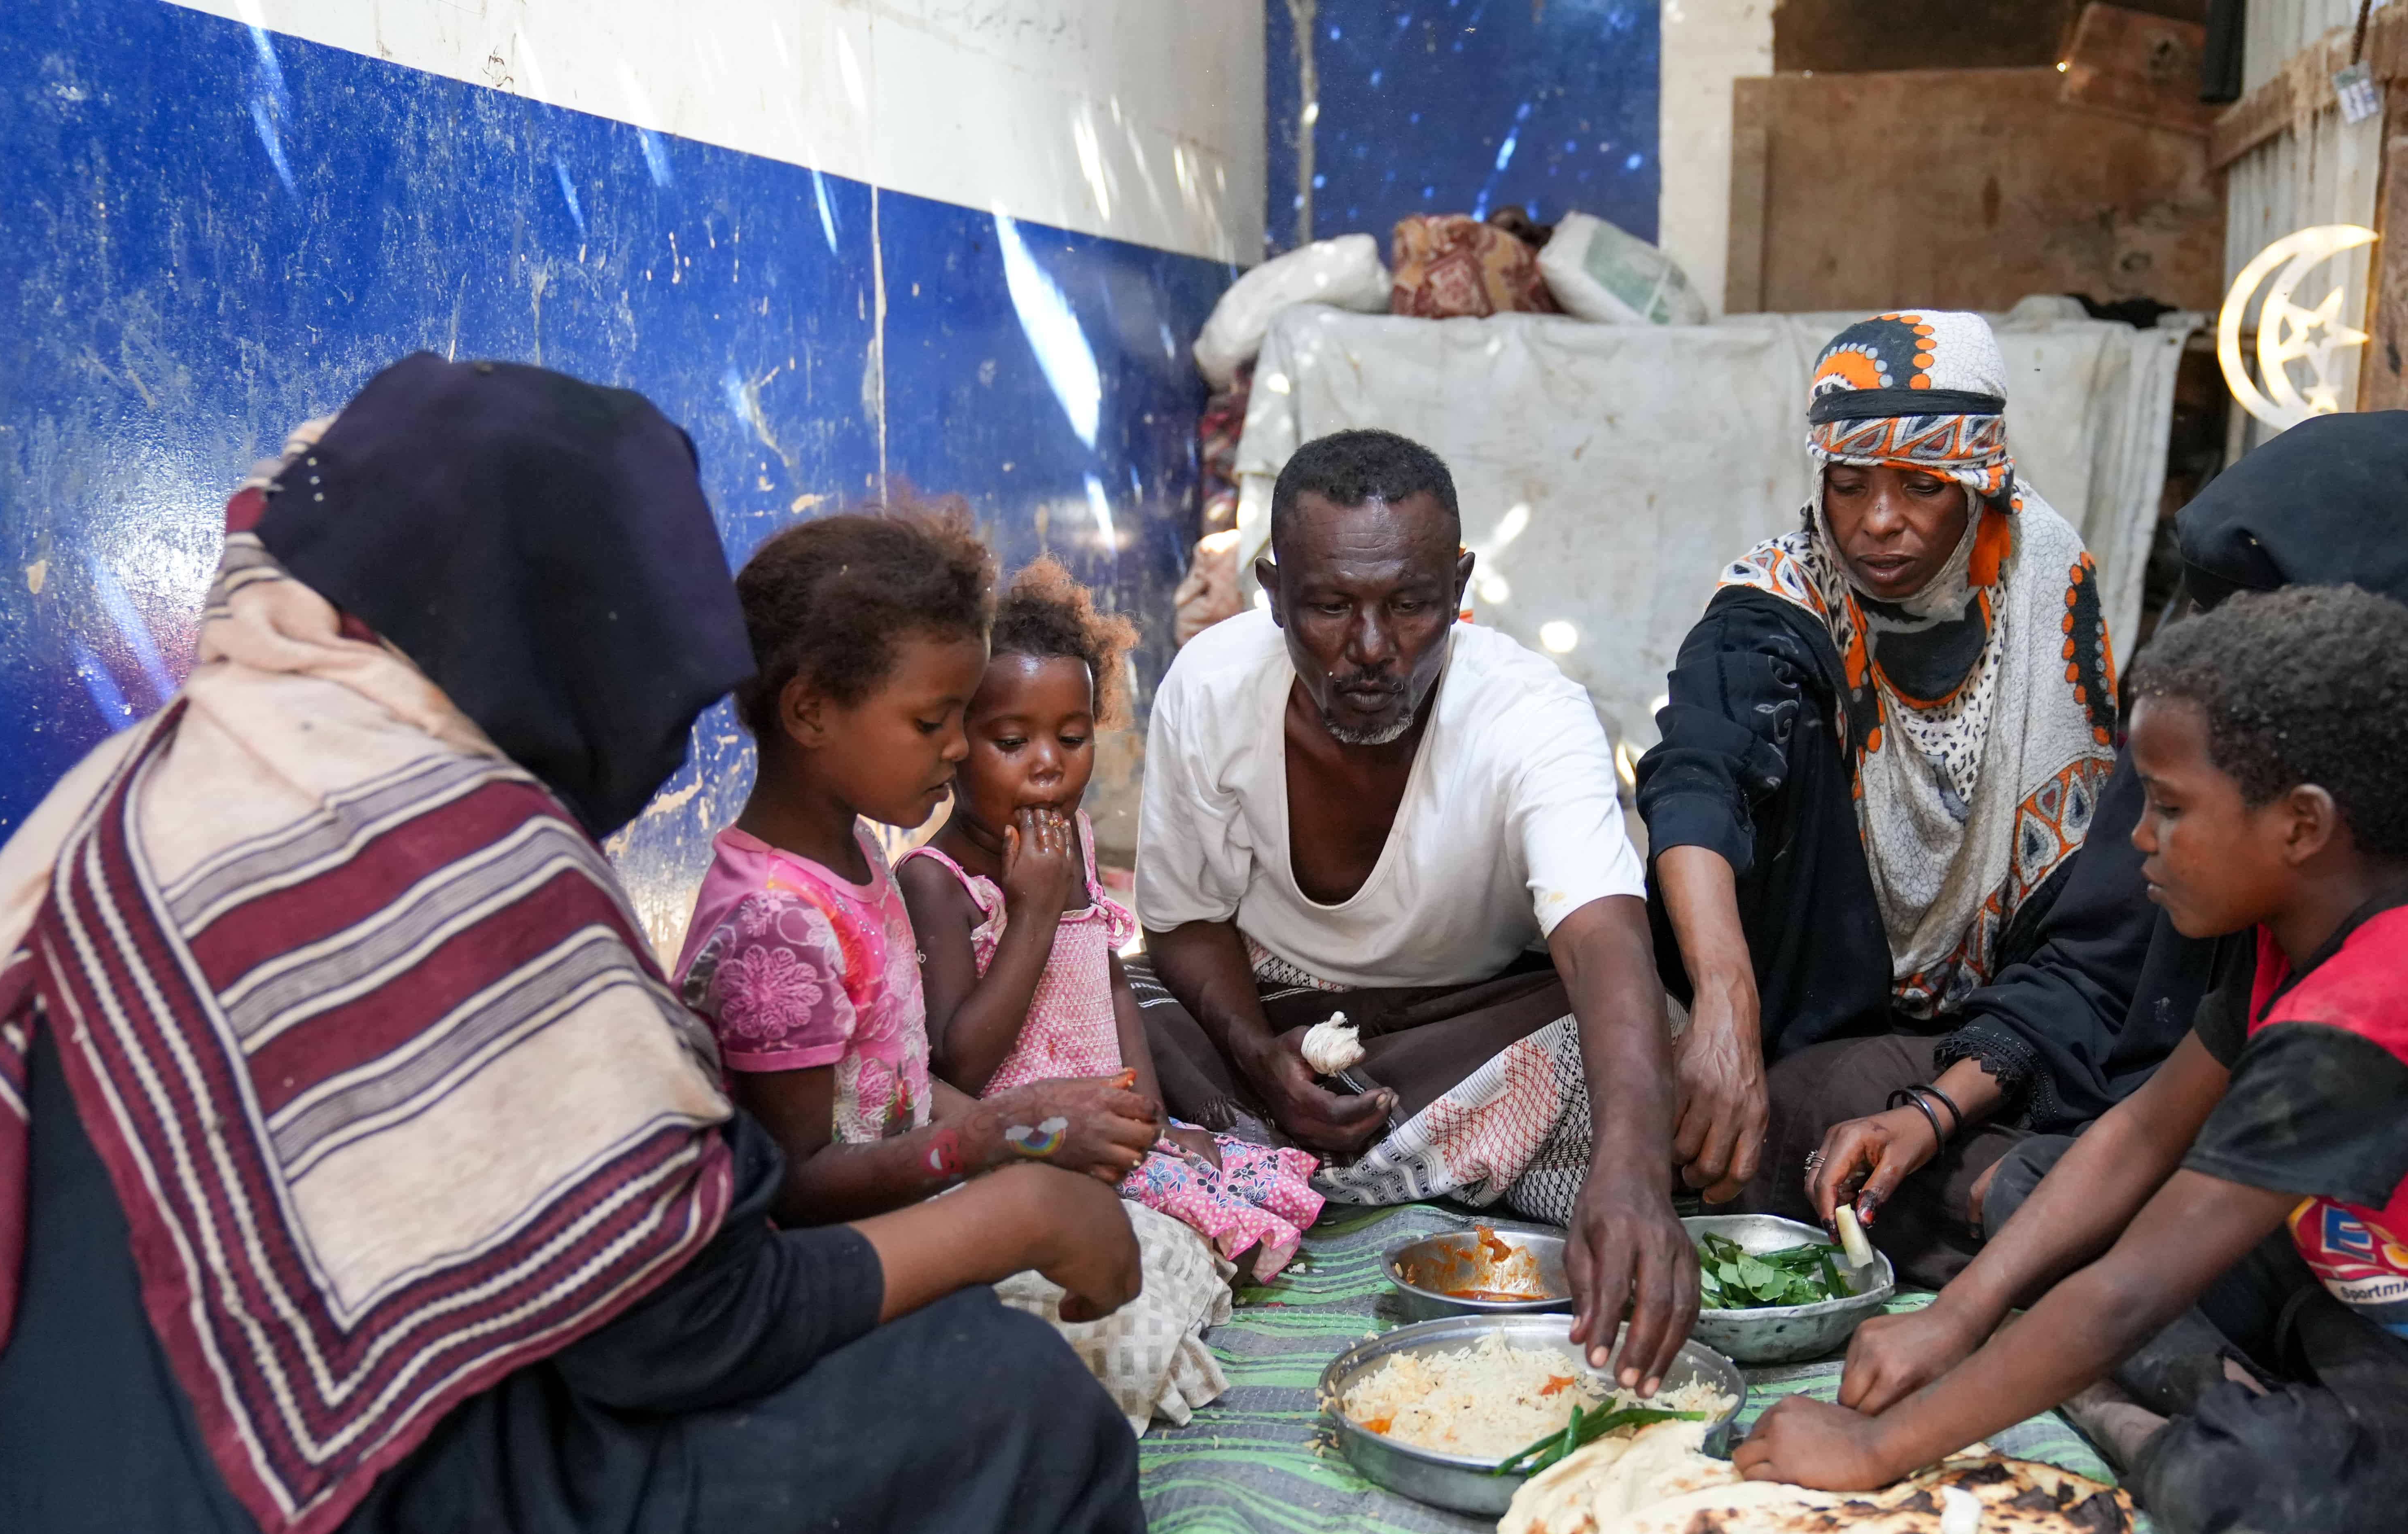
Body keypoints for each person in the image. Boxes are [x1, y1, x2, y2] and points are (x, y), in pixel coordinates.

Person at [0, 357, 1154, 1534]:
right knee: (1003, 1392)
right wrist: (1017, 1211)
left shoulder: (123, 805)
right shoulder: (456, 855)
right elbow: (690, 1333)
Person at [1736, 585, 2408, 1534]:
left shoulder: (2382, 1009)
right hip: (2382, 1301)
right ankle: (2214, 1399)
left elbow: (2127, 1293)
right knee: (2037, 1182)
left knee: (2255, 1496)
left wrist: (1877, 1449)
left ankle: (2152, 1427)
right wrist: (1955, 1317)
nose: (2140, 838)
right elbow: (2139, 1133)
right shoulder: (2296, 936)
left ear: (2301, 824)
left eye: (2169, 807)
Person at [1790, 413, 2408, 1282]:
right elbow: (2099, 963)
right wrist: (1934, 1111)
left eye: (2257, 611)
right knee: (1828, 1103)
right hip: (2168, 1097)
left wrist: (2094, 1189)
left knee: (2060, 1210)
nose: (2225, 646)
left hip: (2369, 1177)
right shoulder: (2201, 711)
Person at [1131, 427, 1697, 1392]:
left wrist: (1635, 1176)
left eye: (1409, 605)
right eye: (1329, 607)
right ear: (1273, 592)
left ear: (1459, 584)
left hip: (1465, 1024)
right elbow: (1182, 922)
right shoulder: (1212, 687)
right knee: (1110, 1015)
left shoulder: (1532, 713)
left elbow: (1605, 941)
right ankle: (1361, 1156)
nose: (1370, 649)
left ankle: (1266, 1173)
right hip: (1268, 1013)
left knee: (1650, 1055)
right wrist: (1261, 1058)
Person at [681, 515, 1235, 1432]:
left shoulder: (853, 856)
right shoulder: (777, 925)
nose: (956, 747)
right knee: (1112, 1312)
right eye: (933, 721)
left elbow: (896, 1076)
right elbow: (796, 1188)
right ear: (811, 713)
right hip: (831, 1267)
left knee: (1155, 1248)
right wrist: (996, 1139)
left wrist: (1032, 1133)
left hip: (915, 1189)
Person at [1634, 310, 2117, 1231]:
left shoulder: (2045, 587)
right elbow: (1699, 773)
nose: (1878, 523)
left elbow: (2088, 922)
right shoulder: (1781, 600)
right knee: (1808, 1125)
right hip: (1807, 1012)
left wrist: (1942, 1103)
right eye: (1849, 486)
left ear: (1980, 486)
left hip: (1999, 1025)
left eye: (1923, 486)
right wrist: (1726, 1004)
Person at [900, 557, 1324, 1280]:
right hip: (1031, 1144)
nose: (1048, 765)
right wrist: (1032, 912)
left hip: (1109, 1120)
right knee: (1214, 1232)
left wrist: (1150, 1120)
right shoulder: (936, 882)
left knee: (1263, 1177)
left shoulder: (1077, 840)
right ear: (955, 744)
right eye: (1012, 743)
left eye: (1072, 738)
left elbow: (1114, 985)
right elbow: (958, 1064)